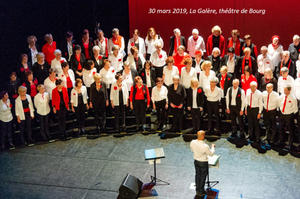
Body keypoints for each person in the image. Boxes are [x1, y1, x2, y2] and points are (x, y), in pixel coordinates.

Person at [190, 130, 215, 198]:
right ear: (203, 136)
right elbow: (211, 154)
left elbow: (192, 150)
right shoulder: (205, 146)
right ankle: (200, 192)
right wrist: (212, 147)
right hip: (203, 163)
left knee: (198, 175)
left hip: (196, 161)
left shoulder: (192, 142)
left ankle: (198, 190)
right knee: (203, 177)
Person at [276, 84, 298, 150]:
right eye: (284, 90)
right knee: (281, 128)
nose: (284, 91)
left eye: (285, 90)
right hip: (282, 115)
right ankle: (281, 141)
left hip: (289, 116)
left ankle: (290, 144)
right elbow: (279, 103)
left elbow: (295, 109)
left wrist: (291, 116)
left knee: (291, 130)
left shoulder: (293, 98)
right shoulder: (282, 96)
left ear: (289, 90)